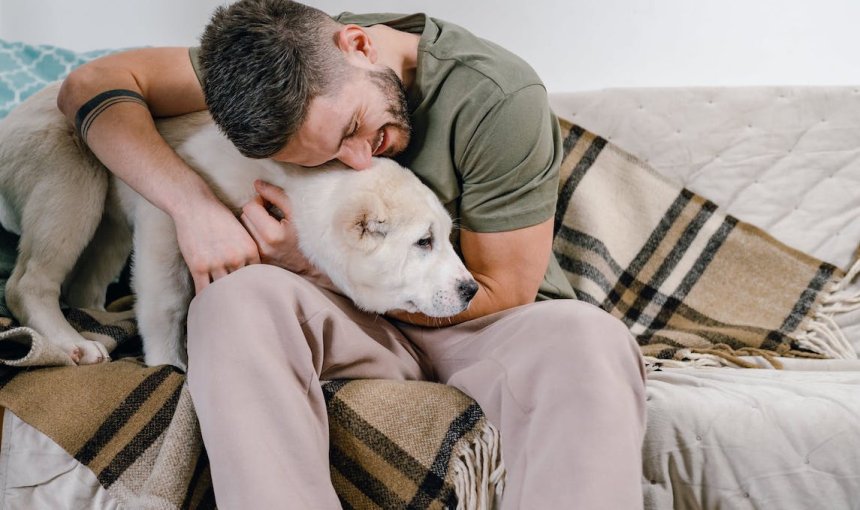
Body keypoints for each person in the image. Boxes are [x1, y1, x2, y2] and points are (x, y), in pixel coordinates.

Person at [57, 1, 647, 508]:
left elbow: (503, 291)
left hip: (477, 323)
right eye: (326, 154)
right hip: (344, 324)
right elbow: (88, 88)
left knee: (587, 336)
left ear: (358, 45)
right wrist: (194, 208)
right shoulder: (264, 73)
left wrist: (309, 266)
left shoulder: (495, 96)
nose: (361, 157)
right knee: (232, 300)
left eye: (353, 127)